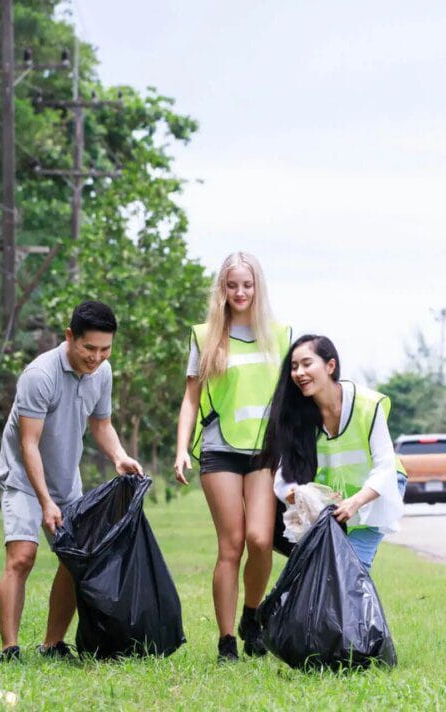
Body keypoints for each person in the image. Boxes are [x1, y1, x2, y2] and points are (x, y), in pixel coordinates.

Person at [0, 301, 142, 663]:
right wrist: (46, 501)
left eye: (105, 349)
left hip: (66, 480)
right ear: (70, 337)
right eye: (89, 348)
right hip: (23, 478)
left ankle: (52, 644)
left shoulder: (102, 372)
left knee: (76, 561)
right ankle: (9, 649)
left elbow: (101, 424)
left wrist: (119, 456)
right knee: (22, 557)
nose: (96, 357)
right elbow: (28, 443)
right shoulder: (39, 375)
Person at [173, 252, 290, 662]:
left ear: (258, 287)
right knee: (232, 544)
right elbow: (190, 399)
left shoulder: (281, 334)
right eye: (232, 285)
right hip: (220, 448)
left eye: (247, 284)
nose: (240, 292)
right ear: (221, 289)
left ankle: (251, 617)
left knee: (261, 540)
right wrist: (180, 450)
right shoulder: (205, 336)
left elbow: (293, 398)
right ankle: (227, 642)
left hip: (263, 453)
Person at [259, 334, 406, 572]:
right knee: (325, 570)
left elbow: (385, 467)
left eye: (307, 364)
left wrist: (355, 502)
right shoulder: (297, 415)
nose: (299, 373)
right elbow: (283, 476)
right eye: (294, 367)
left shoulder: (367, 405)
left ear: (330, 365)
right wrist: (295, 493)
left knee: (352, 569)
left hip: (374, 494)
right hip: (335, 502)